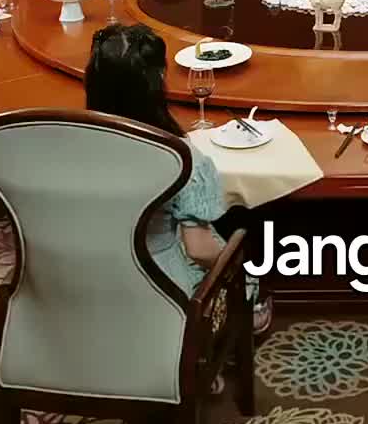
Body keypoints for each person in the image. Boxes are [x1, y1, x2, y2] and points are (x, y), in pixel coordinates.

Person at [84, 22, 272, 338]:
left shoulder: (67, 145)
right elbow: (199, 249)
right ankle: (243, 316)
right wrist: (238, 267)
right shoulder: (182, 158)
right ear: (157, 81)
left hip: (77, 278)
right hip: (158, 293)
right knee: (229, 256)